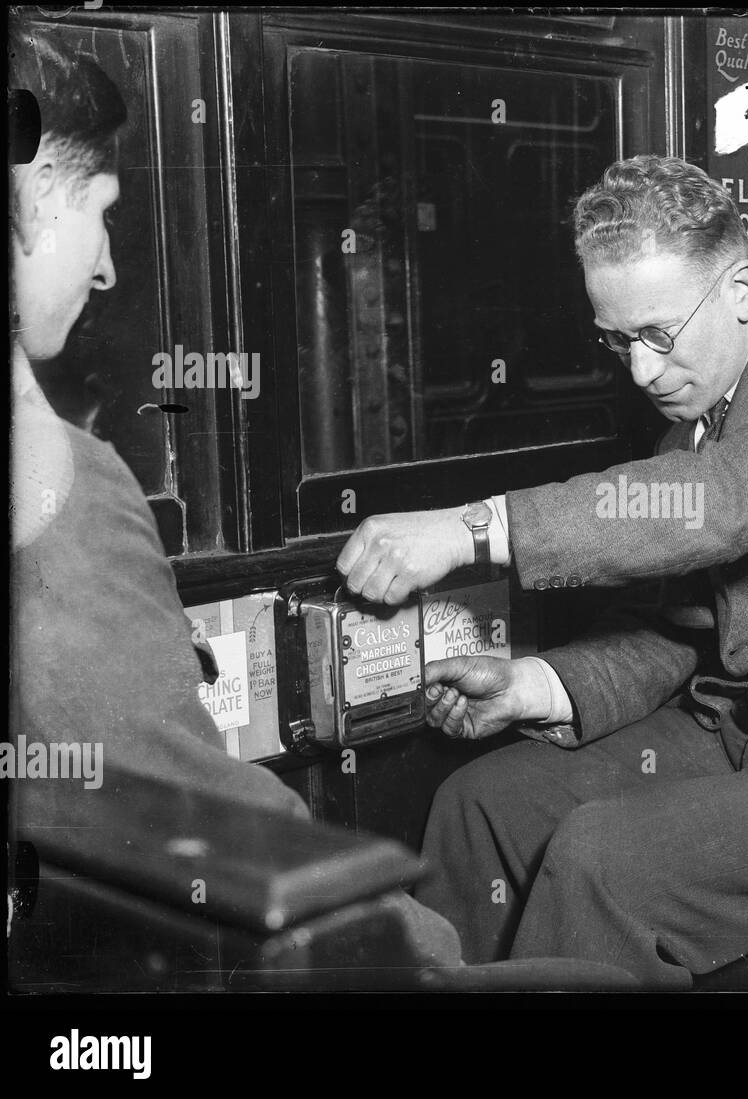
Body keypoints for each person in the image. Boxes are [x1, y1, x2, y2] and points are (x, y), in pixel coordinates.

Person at [336, 154, 748, 987]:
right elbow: (675, 633)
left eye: (659, 335)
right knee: (482, 802)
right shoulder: (690, 429)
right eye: (617, 339)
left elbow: (728, 496)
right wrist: (537, 684)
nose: (640, 371)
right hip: (735, 735)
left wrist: (470, 529)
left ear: (741, 291)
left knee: (603, 857)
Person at [7, 25, 466, 972]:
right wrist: (419, 947)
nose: (107, 269)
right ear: (36, 192)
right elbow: (167, 806)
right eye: (101, 212)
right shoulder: (57, 480)